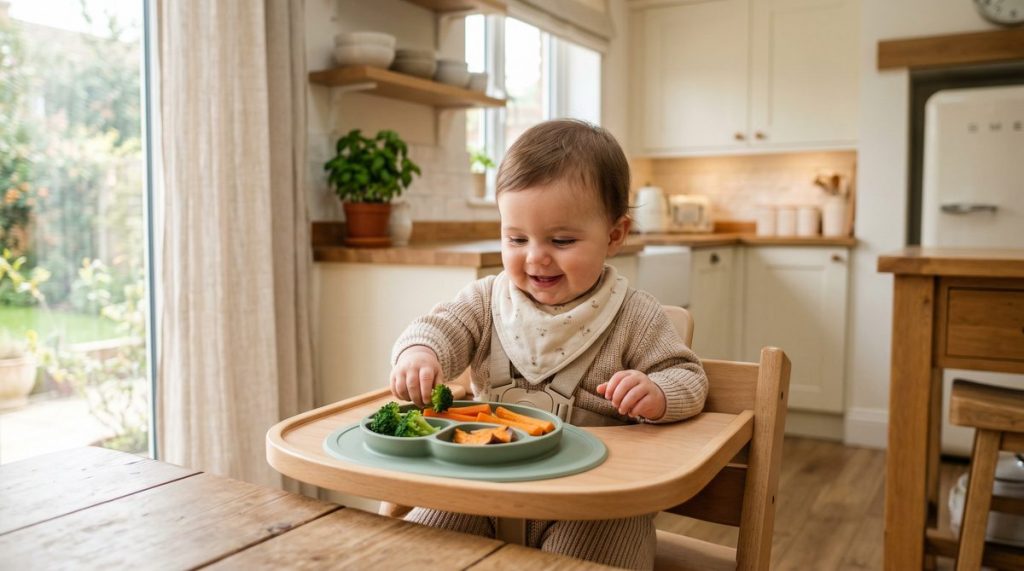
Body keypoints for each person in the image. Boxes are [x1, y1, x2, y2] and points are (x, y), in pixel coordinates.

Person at [388, 118, 708, 569]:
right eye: (516, 238)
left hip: (597, 503)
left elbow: (688, 376)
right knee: (417, 550)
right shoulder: (486, 299)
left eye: (561, 240)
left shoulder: (635, 315)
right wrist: (420, 353)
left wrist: (657, 393)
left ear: (615, 235)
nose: (535, 256)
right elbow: (441, 327)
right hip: (484, 487)